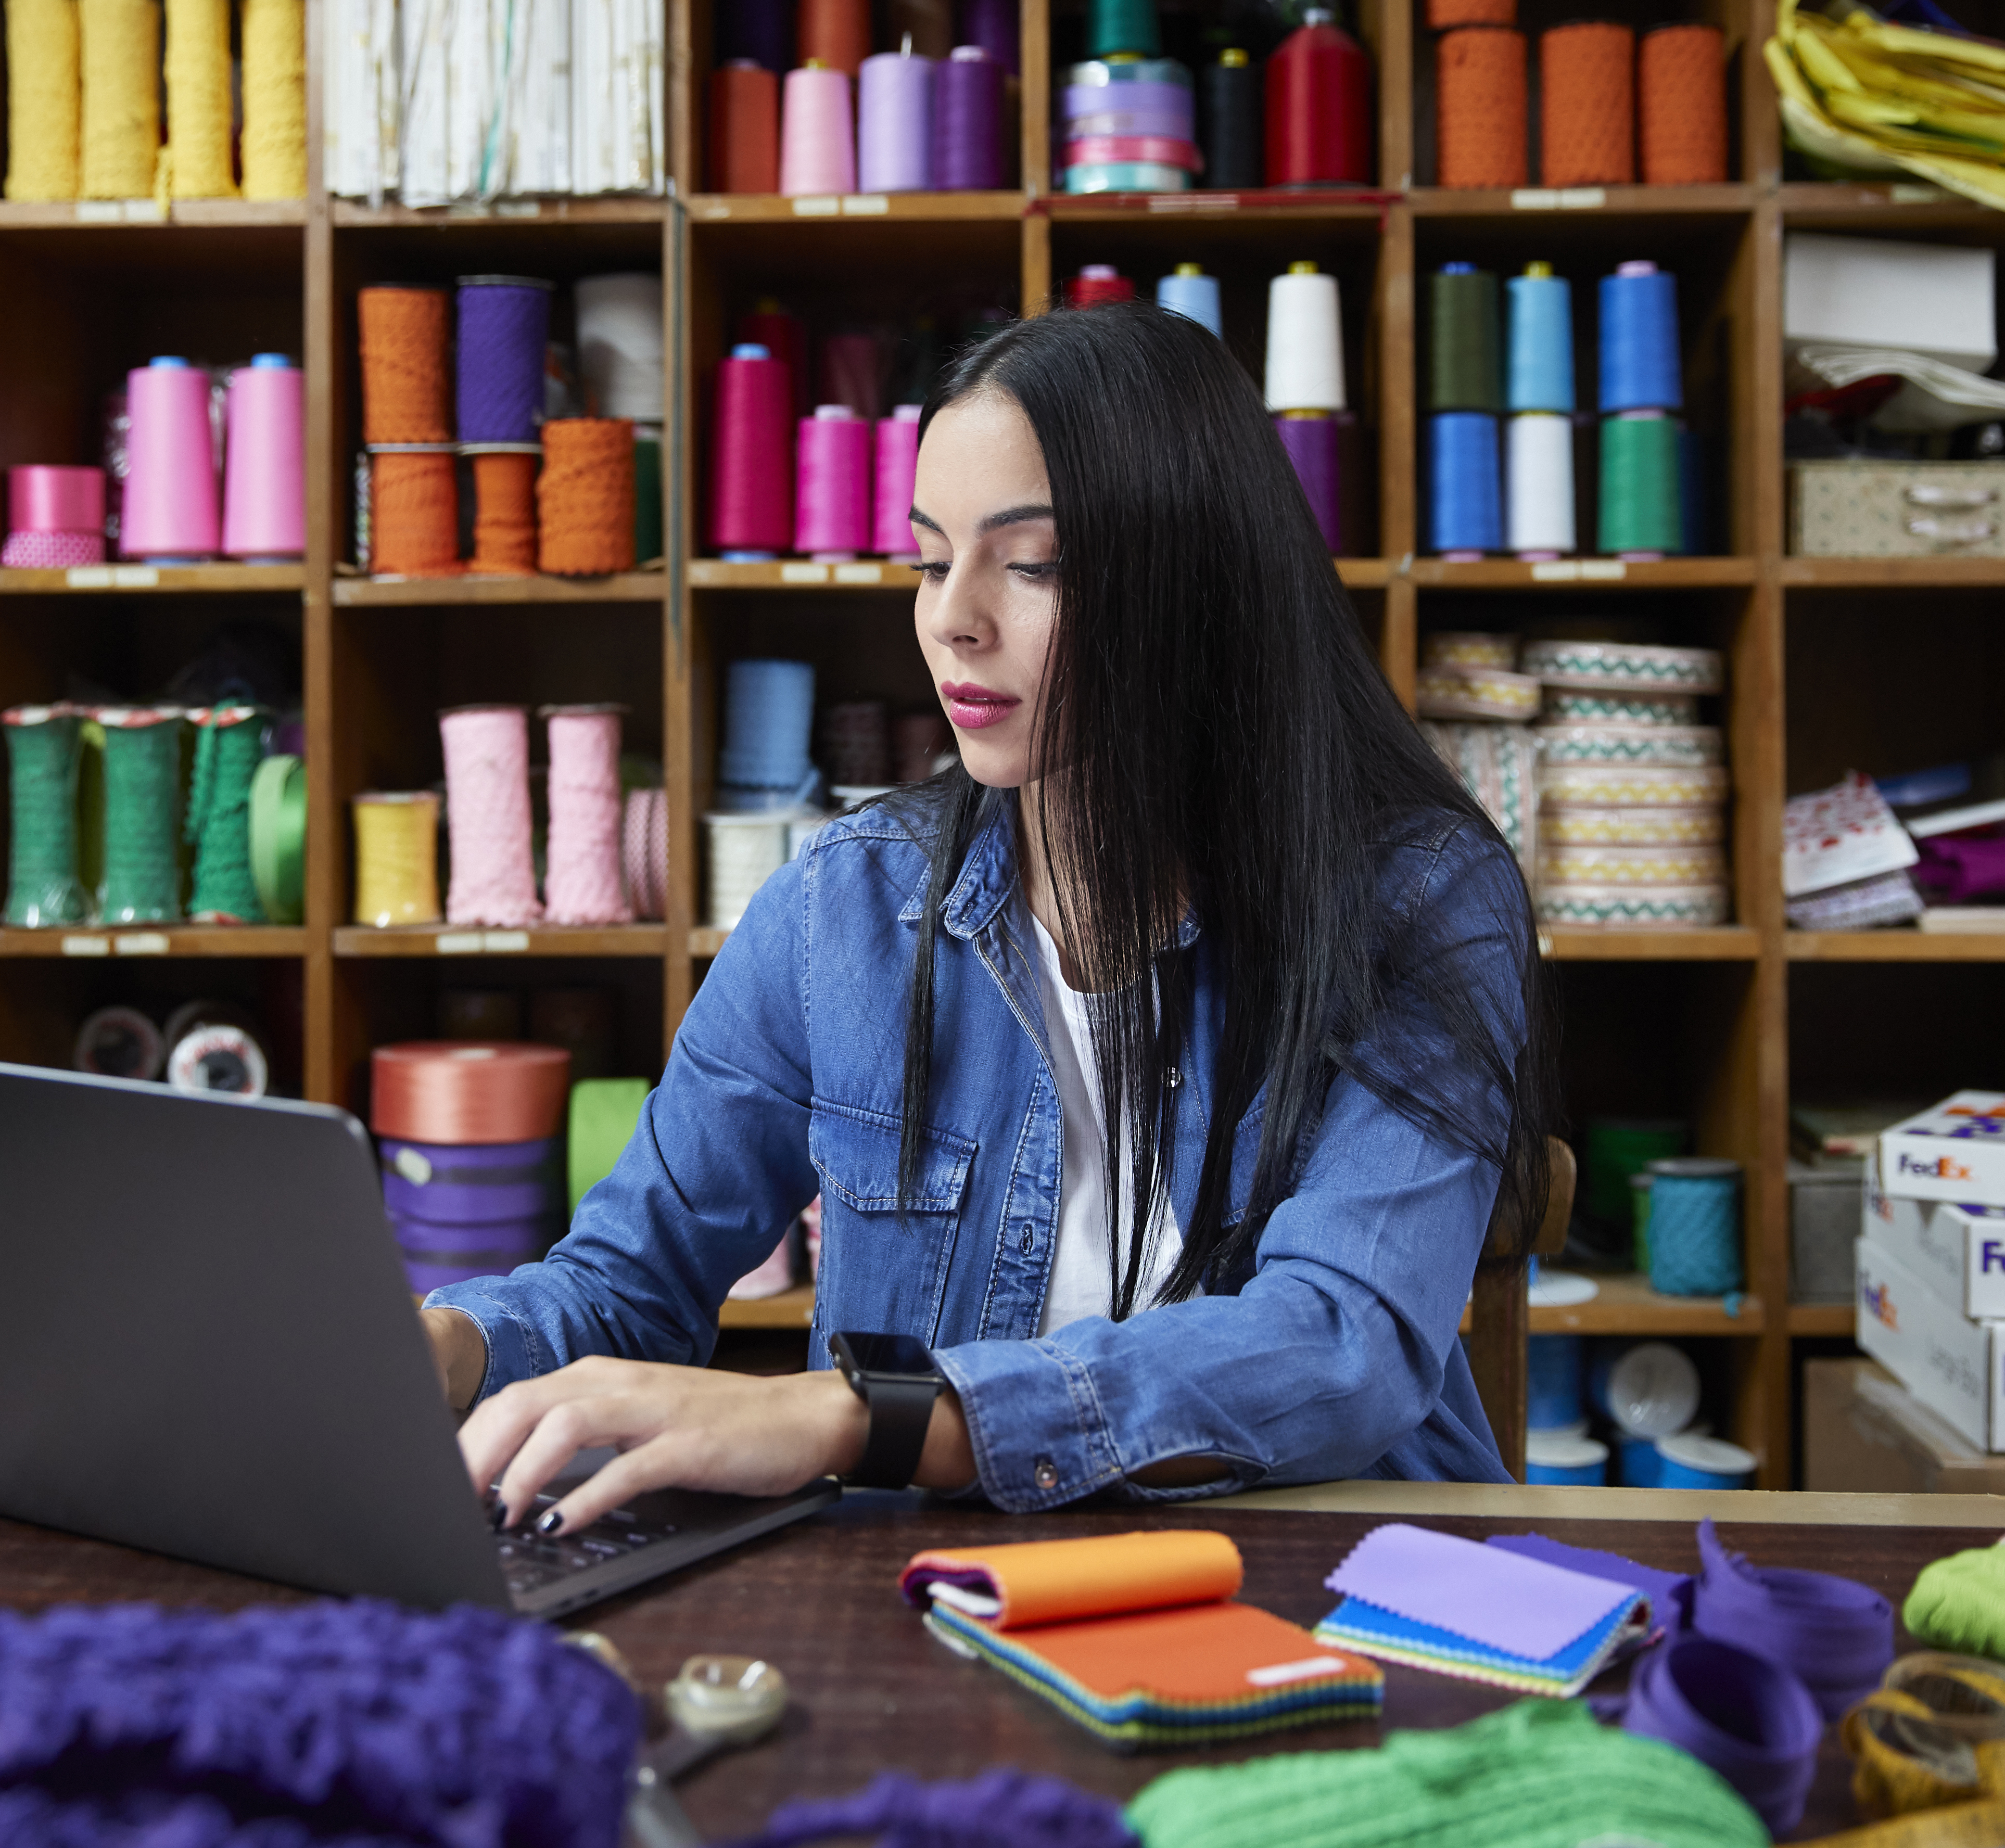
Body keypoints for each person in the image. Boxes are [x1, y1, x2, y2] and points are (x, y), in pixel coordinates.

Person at [422, 300, 1555, 1537]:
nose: (952, 616)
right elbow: (623, 1289)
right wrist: (440, 1350)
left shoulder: (1422, 902)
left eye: (1034, 564)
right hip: (957, 1602)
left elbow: (1340, 1346)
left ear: (1197, 583)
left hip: (1336, 1594)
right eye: (928, 556)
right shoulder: (840, 910)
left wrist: (869, 1416)